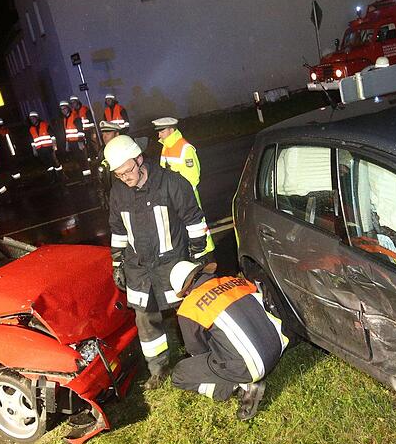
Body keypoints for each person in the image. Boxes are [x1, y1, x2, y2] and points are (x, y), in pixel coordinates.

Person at [104, 135, 211, 388]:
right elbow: (118, 230)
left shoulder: (171, 183)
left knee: (185, 313)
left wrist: (198, 254)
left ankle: (199, 357)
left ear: (140, 159)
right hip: (139, 269)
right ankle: (158, 369)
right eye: (119, 174)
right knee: (145, 319)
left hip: (171, 265)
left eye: (128, 170)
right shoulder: (118, 192)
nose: (126, 178)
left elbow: (194, 220)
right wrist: (117, 262)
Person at [168, 260, 288, 420]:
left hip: (251, 365)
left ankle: (239, 387)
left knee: (180, 374)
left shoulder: (190, 307)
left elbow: (196, 351)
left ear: (187, 290)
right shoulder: (234, 280)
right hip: (277, 345)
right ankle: (241, 379)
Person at [152, 116, 213, 254]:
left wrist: (181, 195)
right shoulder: (166, 147)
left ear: (171, 129)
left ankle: (204, 252)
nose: (159, 134)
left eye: (162, 131)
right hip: (173, 196)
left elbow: (193, 177)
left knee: (196, 223)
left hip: (186, 196)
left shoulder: (185, 148)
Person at [60, 99, 91, 176]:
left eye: (64, 108)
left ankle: (88, 177)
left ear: (68, 108)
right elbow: (67, 132)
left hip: (78, 142)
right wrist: (67, 144)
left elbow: (80, 130)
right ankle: (83, 176)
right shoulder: (65, 119)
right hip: (72, 143)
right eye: (61, 109)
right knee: (78, 160)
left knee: (83, 160)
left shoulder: (75, 116)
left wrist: (80, 142)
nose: (63, 111)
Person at [28, 110, 62, 177]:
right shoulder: (31, 129)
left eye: (33, 118)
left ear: (37, 117)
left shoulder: (45, 125)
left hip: (49, 148)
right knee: (48, 165)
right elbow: (32, 141)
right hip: (40, 150)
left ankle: (61, 176)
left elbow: (53, 136)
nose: (32, 120)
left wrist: (54, 146)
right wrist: (34, 150)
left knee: (55, 162)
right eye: (31, 119)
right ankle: (53, 177)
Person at [0, 115, 22, 181]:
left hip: (6, 152)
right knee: (14, 164)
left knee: (11, 165)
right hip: (12, 151)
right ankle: (17, 177)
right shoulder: (7, 131)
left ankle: (16, 177)